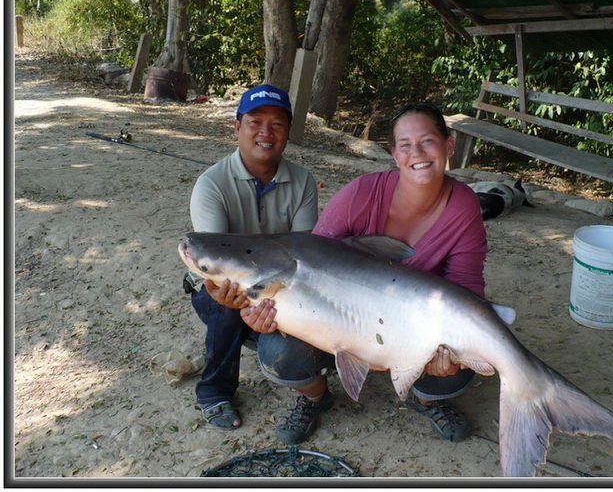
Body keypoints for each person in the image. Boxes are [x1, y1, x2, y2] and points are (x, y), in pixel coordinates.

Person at [243, 102, 488, 445]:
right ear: (394, 153)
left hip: (415, 325)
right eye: (405, 144)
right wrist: (269, 316)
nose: (416, 152)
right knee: (278, 353)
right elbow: (310, 264)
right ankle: (314, 397)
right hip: (342, 317)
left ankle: (425, 399)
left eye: (427, 141)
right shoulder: (361, 192)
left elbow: (466, 285)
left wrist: (451, 348)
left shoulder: (463, 205)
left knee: (452, 375)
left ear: (449, 145)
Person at [184, 83, 318, 430]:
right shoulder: (211, 184)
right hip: (224, 285)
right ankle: (214, 392)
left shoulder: (303, 181)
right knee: (229, 302)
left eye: (277, 124)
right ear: (237, 126)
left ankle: (301, 371)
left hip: (281, 283)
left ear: (288, 132)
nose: (265, 132)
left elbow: (305, 251)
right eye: (255, 122)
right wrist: (238, 295)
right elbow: (213, 259)